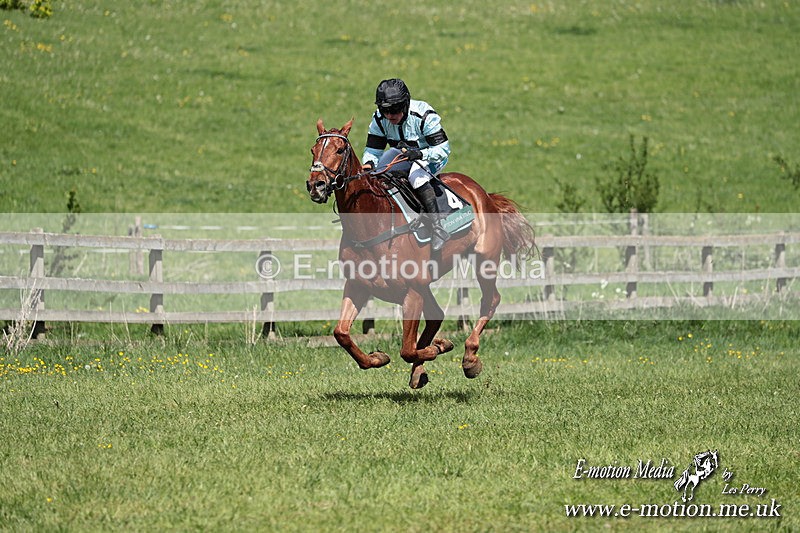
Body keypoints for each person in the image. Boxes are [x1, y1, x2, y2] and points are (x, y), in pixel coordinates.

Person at [362, 78, 451, 251]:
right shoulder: (379, 119)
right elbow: (373, 150)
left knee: (417, 177)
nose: (390, 116)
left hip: (431, 156)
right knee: (376, 175)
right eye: (385, 110)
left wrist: (420, 154)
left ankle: (438, 227)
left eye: (395, 110)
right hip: (403, 155)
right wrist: (368, 165)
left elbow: (443, 149)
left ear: (406, 104)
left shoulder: (423, 114)